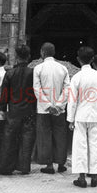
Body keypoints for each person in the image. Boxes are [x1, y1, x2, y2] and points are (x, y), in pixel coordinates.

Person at [0, 45, 37, 175]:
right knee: (27, 138)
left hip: (13, 111)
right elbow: (36, 92)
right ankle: (24, 167)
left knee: (9, 138)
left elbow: (5, 94)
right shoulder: (33, 73)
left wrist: (2, 108)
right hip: (29, 111)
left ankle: (5, 168)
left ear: (16, 57)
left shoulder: (9, 73)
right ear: (28, 57)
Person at [67, 46, 97, 188]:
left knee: (80, 146)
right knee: (95, 145)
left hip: (80, 115)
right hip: (95, 114)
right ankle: (94, 176)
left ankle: (81, 177)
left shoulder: (77, 77)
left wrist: (70, 119)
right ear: (93, 59)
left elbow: (72, 101)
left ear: (78, 59)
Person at [33, 42, 70, 174]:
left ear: (42, 52)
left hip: (43, 110)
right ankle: (60, 164)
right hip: (59, 110)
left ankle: (49, 165)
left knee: (45, 135)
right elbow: (67, 89)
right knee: (60, 135)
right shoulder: (63, 68)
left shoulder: (38, 68)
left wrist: (48, 106)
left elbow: (37, 89)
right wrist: (59, 105)